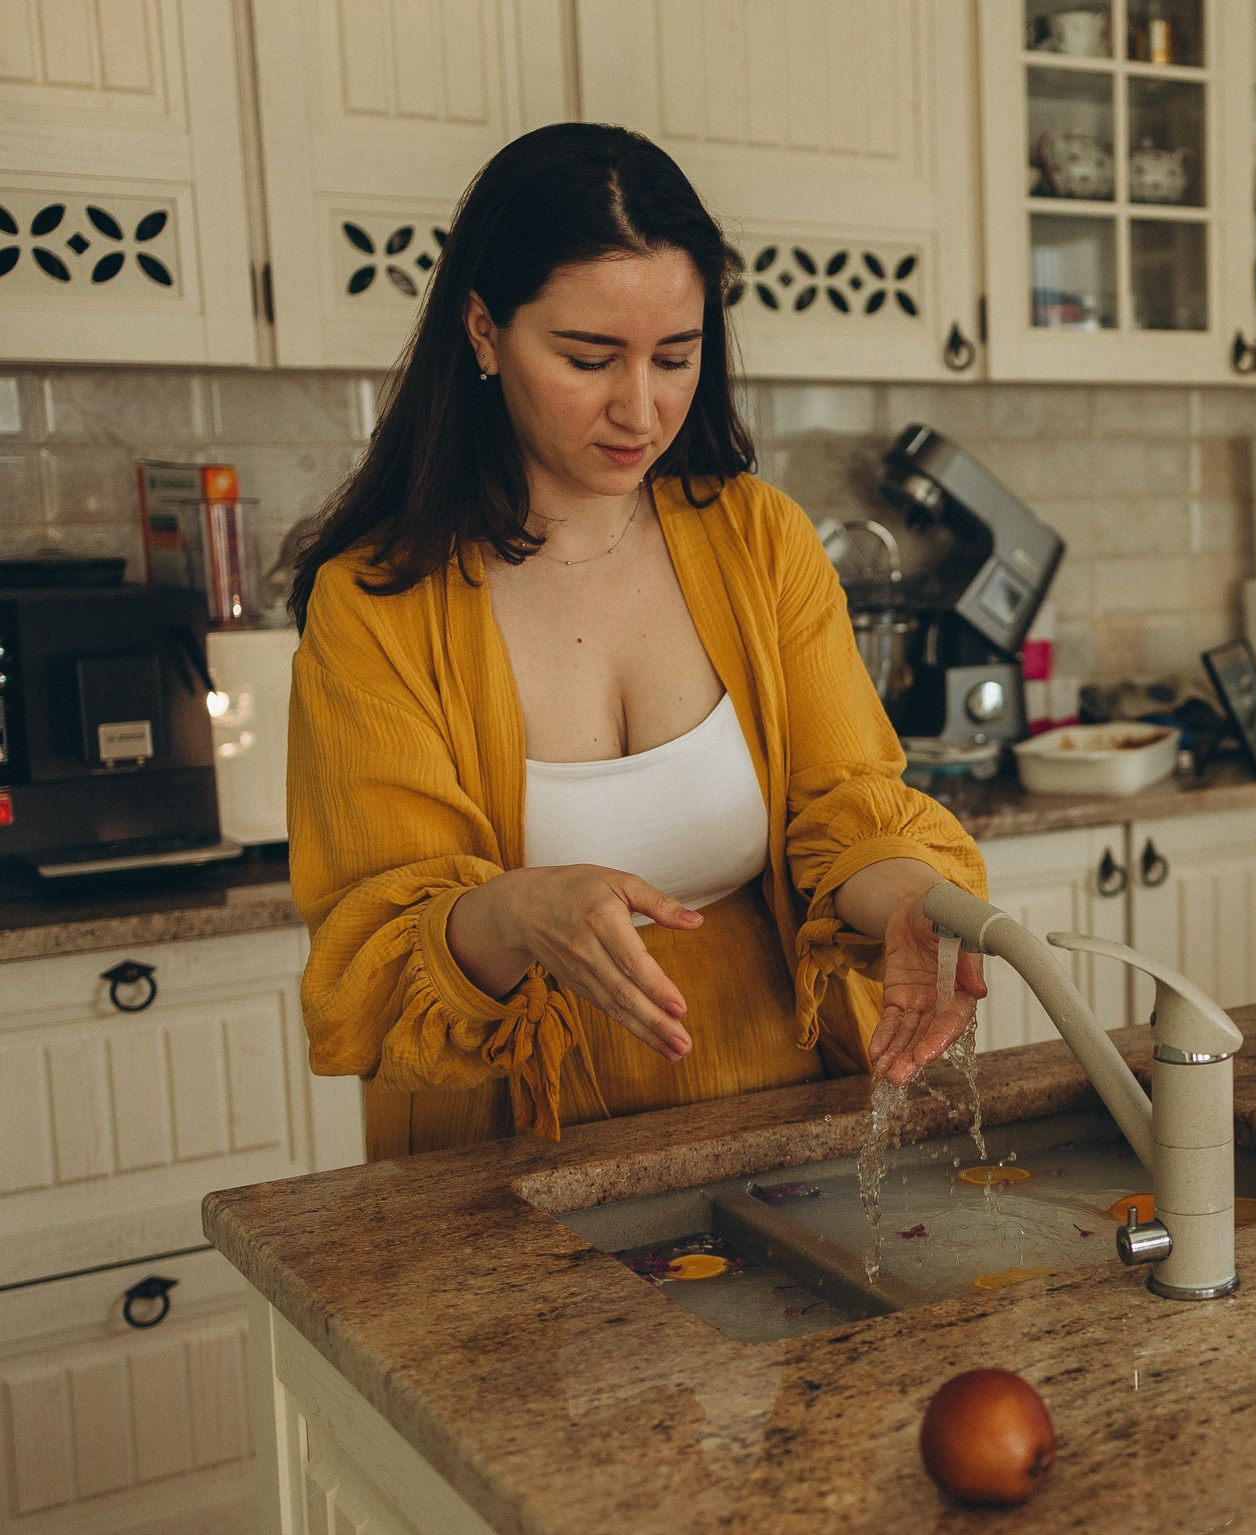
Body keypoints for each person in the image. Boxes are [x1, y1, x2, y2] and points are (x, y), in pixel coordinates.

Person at [286, 123, 984, 1161]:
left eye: (677, 355)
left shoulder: (760, 540)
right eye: (587, 357)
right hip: (501, 1175)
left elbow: (845, 805)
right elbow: (373, 958)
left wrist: (909, 906)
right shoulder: (378, 604)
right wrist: (517, 914)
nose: (641, 407)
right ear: (482, 330)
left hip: (776, 1140)